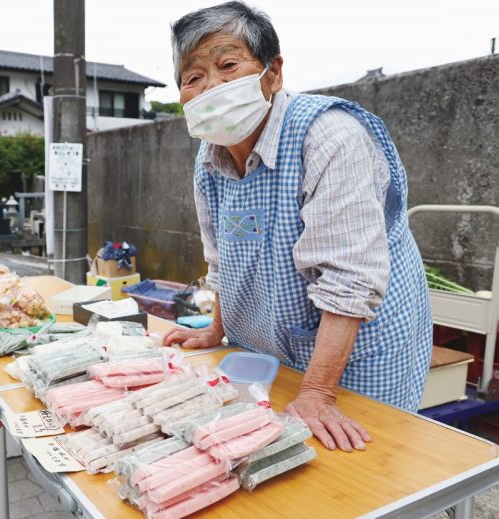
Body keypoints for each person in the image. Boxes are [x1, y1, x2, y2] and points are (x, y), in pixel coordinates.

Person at [163, 1, 432, 453]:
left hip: (355, 352)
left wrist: (317, 393)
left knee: (360, 474)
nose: (211, 87)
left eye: (228, 65)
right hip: (270, 350)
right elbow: (220, 256)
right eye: (193, 78)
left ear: (273, 73)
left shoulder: (329, 137)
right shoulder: (209, 157)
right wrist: (216, 330)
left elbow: (350, 280)